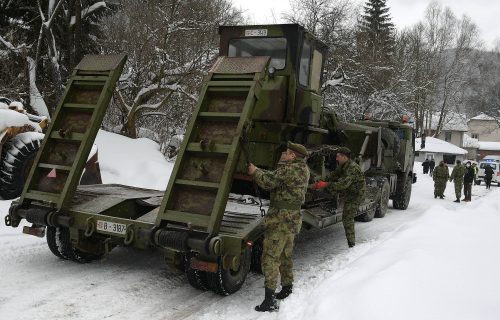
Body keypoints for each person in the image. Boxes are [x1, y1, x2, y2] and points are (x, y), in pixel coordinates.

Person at [248, 141, 310, 312]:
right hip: (292, 220)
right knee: (285, 254)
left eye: (287, 152)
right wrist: (260, 171)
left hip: (280, 221)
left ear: (292, 155)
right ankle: (287, 287)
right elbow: (276, 176)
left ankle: (269, 301)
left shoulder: (289, 169)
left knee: (270, 258)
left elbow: (270, 182)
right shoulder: (302, 169)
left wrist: (255, 172)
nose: (284, 154)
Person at [311, 147, 366, 248]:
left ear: (344, 157)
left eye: (338, 156)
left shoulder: (352, 168)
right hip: (348, 190)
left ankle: (351, 244)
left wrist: (325, 184)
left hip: (355, 195)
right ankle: (333, 204)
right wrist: (320, 182)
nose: (336, 158)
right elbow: (333, 175)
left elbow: (342, 185)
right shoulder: (343, 165)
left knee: (347, 218)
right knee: (330, 186)